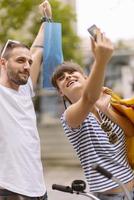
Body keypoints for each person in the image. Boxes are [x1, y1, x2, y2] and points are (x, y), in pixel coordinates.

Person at [51, 28, 134, 199]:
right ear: (61, 92)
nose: (67, 76)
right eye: (61, 78)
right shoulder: (69, 116)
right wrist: (101, 60)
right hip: (110, 196)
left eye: (72, 72)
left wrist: (106, 110)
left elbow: (131, 132)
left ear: (87, 78)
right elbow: (89, 98)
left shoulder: (107, 102)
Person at [0, 1, 52, 200]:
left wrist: (46, 19)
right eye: (20, 61)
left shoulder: (25, 89)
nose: (27, 66)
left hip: (38, 188)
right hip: (9, 189)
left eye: (29, 62)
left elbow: (38, 46)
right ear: (3, 63)